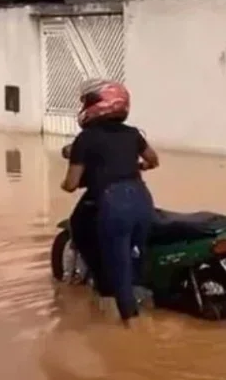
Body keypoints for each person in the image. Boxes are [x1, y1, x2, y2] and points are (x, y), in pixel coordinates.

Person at [61, 79, 160, 326]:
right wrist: (135, 166)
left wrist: (64, 184)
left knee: (119, 273)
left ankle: (130, 334)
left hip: (114, 203)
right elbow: (153, 160)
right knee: (135, 257)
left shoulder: (86, 139)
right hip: (142, 198)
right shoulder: (133, 134)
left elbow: (72, 183)